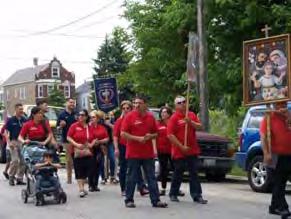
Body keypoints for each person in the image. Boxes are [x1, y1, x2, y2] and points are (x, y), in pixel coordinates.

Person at [121, 95, 167, 208]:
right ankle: (129, 199)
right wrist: (138, 138)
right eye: (135, 103)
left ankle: (156, 200)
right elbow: (123, 133)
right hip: (133, 153)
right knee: (131, 176)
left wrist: (149, 136)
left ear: (145, 104)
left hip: (147, 153)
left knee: (151, 177)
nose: (136, 105)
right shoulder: (129, 116)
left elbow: (156, 133)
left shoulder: (151, 117)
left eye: (139, 103)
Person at [167, 96, 207, 204]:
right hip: (179, 150)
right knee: (178, 171)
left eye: (184, 102)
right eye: (179, 102)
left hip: (192, 149)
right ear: (175, 105)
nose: (183, 104)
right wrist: (181, 146)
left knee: (194, 172)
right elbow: (170, 135)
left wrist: (190, 122)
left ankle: (197, 195)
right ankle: (173, 193)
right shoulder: (174, 118)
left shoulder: (191, 115)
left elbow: (200, 127)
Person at [260, 101, 291, 218]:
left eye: (284, 104)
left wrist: (289, 116)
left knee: (282, 182)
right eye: (280, 104)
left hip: (288, 154)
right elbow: (263, 138)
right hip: (275, 155)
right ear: (274, 105)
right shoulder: (268, 119)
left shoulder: (288, 116)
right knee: (278, 181)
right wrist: (266, 153)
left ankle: (273, 207)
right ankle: (283, 208)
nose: (283, 107)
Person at [114, 100, 149, 196]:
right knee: (124, 168)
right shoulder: (119, 121)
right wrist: (116, 148)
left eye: (127, 108)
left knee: (136, 167)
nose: (125, 110)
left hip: (134, 146)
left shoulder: (135, 119)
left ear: (131, 108)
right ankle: (123, 189)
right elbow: (116, 136)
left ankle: (141, 187)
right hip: (123, 146)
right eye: (123, 108)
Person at [67, 109, 95, 198]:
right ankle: (81, 189)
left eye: (82, 115)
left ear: (86, 117)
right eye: (79, 115)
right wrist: (76, 144)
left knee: (88, 169)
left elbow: (94, 138)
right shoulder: (74, 126)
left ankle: (82, 186)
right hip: (76, 151)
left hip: (87, 151)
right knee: (78, 169)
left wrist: (91, 144)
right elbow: (68, 137)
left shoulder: (89, 127)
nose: (80, 116)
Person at [5, 103, 27, 186]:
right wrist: (9, 142)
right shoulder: (11, 120)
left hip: (22, 142)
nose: (21, 111)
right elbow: (5, 132)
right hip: (13, 142)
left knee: (23, 161)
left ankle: (19, 179)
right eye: (20, 109)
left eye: (22, 109)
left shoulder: (24, 119)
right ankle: (11, 177)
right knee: (15, 160)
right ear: (16, 110)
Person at [57, 98, 77, 184]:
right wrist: (61, 126)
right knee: (69, 160)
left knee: (78, 158)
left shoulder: (77, 114)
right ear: (66, 103)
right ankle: (69, 178)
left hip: (77, 139)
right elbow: (57, 128)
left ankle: (80, 176)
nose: (72, 104)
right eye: (70, 102)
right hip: (67, 139)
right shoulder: (62, 114)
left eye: (73, 102)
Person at [88, 110, 109, 192]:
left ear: (97, 118)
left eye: (93, 117)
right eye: (91, 117)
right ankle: (90, 185)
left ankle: (95, 185)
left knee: (98, 166)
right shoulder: (88, 127)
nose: (91, 119)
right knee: (91, 167)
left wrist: (100, 141)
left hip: (100, 148)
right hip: (90, 148)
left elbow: (107, 138)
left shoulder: (102, 127)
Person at [155, 106, 173, 196]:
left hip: (173, 149)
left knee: (176, 169)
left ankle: (175, 188)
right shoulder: (158, 124)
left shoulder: (173, 123)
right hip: (161, 150)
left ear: (169, 113)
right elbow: (154, 137)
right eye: (162, 112)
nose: (163, 114)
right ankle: (163, 188)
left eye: (165, 112)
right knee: (163, 169)